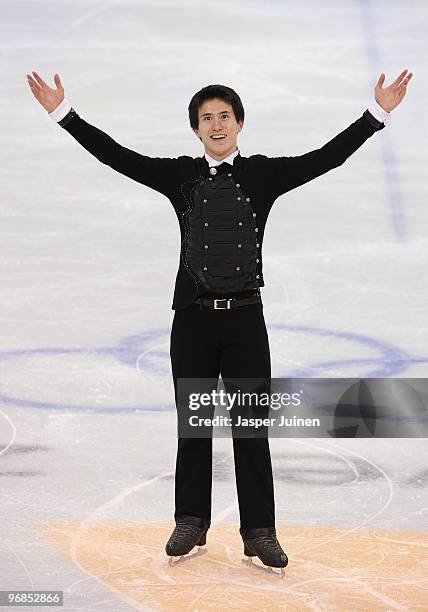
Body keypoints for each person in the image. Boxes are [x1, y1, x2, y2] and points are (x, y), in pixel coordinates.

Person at [27, 68, 413, 573]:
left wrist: (376, 114)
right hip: (192, 321)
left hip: (245, 323)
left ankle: (259, 531)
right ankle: (191, 521)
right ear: (195, 129)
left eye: (224, 116)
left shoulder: (263, 175)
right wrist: (63, 114)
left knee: (251, 428)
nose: (216, 125)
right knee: (195, 426)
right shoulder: (179, 176)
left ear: (239, 123)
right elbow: (117, 156)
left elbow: (326, 158)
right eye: (206, 118)